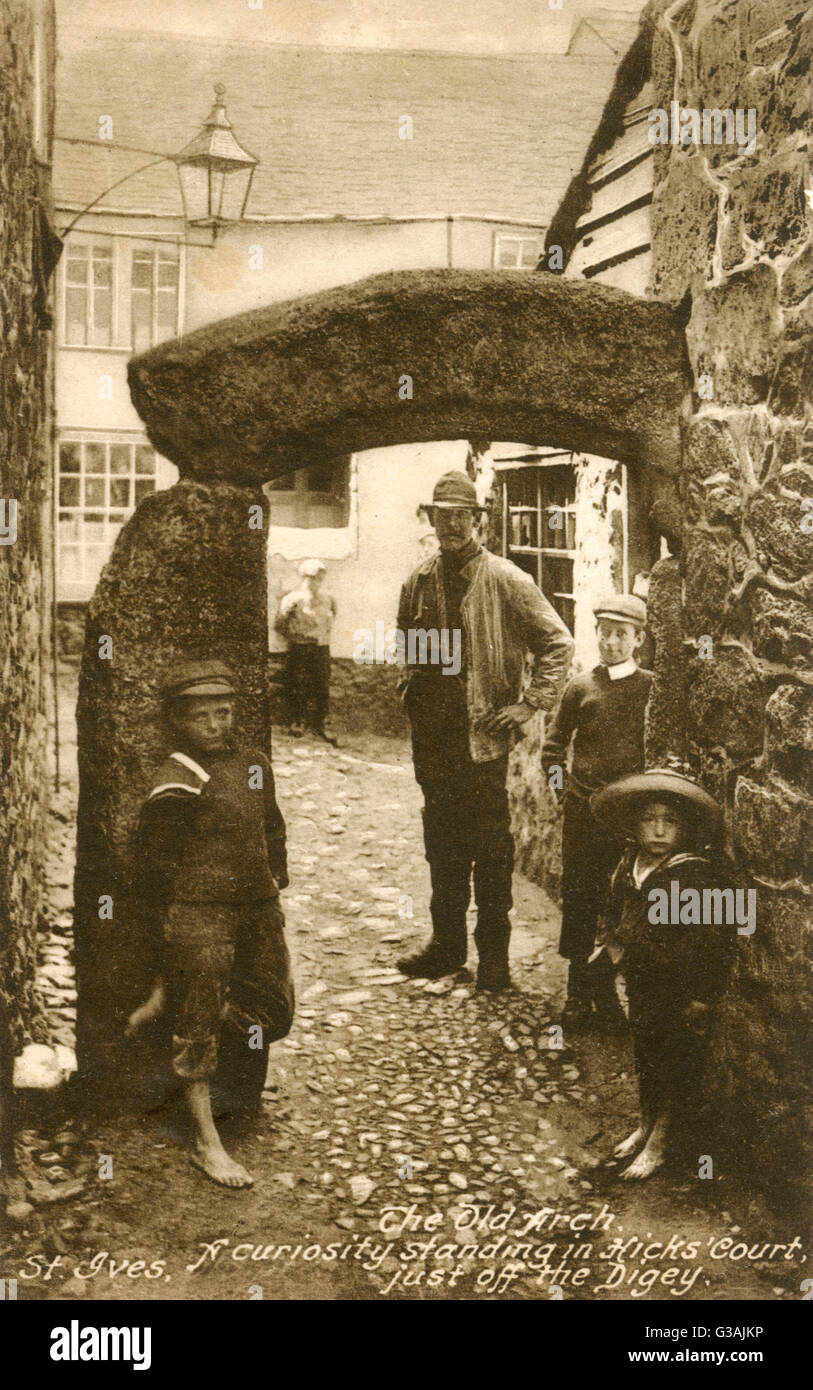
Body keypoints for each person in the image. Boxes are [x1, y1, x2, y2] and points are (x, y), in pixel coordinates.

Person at [395, 470, 574, 992]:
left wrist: (528, 705)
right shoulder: (419, 581)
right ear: (432, 520)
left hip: (483, 743)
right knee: (441, 845)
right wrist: (411, 689)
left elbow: (556, 644)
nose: (449, 525)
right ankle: (445, 947)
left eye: (459, 515)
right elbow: (406, 644)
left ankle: (493, 959)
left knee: (491, 851)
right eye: (440, 515)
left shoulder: (506, 579)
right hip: (435, 739)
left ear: (476, 521)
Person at [126, 659, 295, 1189]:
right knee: (197, 1020)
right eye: (203, 717)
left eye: (224, 712)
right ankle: (205, 1141)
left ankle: (231, 1093)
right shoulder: (176, 780)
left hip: (257, 906)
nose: (217, 725)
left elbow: (271, 826)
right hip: (200, 913)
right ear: (179, 721)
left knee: (273, 1006)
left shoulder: (252, 762)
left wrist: (274, 884)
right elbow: (151, 870)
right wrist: (169, 945)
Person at [590, 765, 737, 1181]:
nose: (658, 830)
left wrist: (702, 996)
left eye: (669, 821)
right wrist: (613, 950)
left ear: (684, 827)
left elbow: (713, 939)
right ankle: (644, 1124)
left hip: (678, 987)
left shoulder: (694, 874)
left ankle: (661, 1140)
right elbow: (614, 913)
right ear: (633, 825)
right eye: (648, 820)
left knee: (675, 1060)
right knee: (646, 1055)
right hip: (641, 983)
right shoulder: (628, 865)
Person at [541, 594, 651, 1028]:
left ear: (637, 640)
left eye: (620, 634)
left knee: (622, 903)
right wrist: (561, 792)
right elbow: (552, 748)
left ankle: (604, 990)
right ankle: (575, 992)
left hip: (629, 817)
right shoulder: (580, 687)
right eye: (604, 633)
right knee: (581, 896)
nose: (610, 642)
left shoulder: (650, 688)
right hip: (583, 813)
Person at [275, 559, 338, 745]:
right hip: (300, 647)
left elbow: (331, 617)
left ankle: (321, 724)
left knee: (322, 684)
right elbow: (279, 625)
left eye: (319, 578)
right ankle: (297, 721)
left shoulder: (328, 599)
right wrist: (297, 636)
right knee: (298, 684)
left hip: (321, 648)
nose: (315, 582)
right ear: (303, 577)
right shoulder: (292, 599)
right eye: (311, 578)